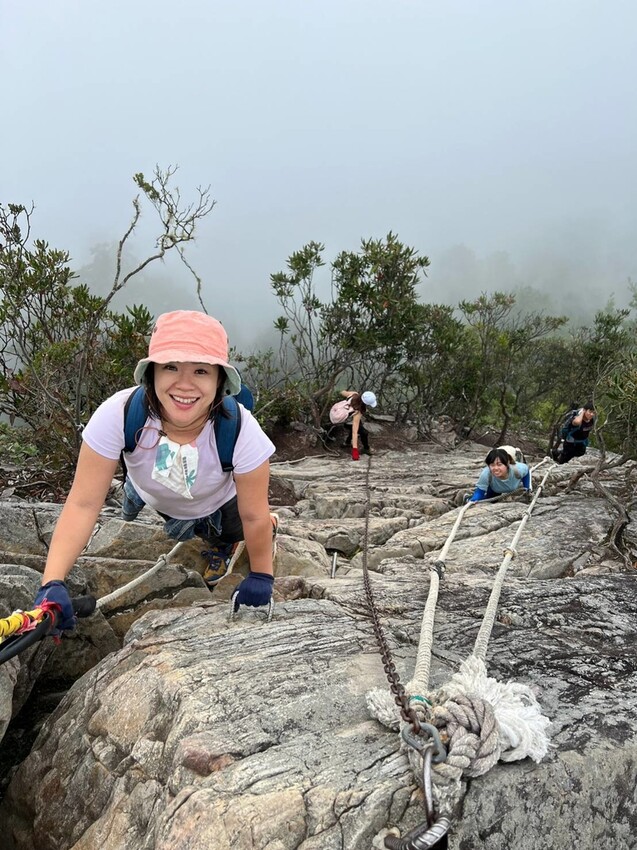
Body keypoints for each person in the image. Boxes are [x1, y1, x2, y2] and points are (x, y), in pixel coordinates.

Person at [32, 310, 277, 630]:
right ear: (152, 374)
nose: (185, 384)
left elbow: (254, 515)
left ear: (219, 381)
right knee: (154, 496)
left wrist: (261, 574)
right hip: (151, 490)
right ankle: (146, 498)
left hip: (216, 503)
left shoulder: (242, 431)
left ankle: (221, 543)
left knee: (232, 530)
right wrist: (52, 583)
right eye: (171, 366)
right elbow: (83, 504)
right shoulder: (118, 415)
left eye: (201, 370)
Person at [340, 390, 377, 460]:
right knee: (364, 433)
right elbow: (355, 431)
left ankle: (347, 442)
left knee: (358, 426)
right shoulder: (358, 411)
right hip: (346, 422)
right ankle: (366, 448)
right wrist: (355, 451)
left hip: (341, 416)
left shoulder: (354, 395)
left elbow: (342, 392)